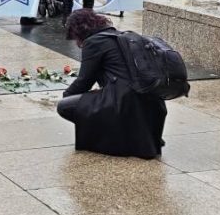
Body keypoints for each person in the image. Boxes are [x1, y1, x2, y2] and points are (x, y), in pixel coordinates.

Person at [57, 10, 166, 159]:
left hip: (124, 102)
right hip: (151, 102)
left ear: (79, 31)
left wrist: (65, 97)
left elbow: (84, 81)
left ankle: (114, 138)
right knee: (95, 99)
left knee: (65, 106)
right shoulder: (122, 35)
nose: (76, 42)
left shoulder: (94, 42)